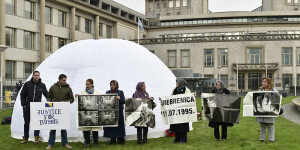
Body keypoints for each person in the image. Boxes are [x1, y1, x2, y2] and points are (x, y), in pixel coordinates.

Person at [46, 74, 74, 149]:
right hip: (54, 111)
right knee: (53, 128)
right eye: (63, 80)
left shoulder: (68, 88)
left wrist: (66, 102)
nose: (65, 81)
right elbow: (49, 97)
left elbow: (72, 99)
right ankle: (50, 144)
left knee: (63, 128)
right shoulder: (52, 87)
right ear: (59, 79)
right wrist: (49, 102)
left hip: (63, 110)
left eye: (65, 80)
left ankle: (65, 143)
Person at [20, 71, 48, 144]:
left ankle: (36, 138)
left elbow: (47, 95)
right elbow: (22, 94)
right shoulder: (27, 84)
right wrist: (23, 104)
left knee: (37, 123)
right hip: (27, 106)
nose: (36, 77)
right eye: (35, 75)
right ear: (32, 76)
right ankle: (26, 138)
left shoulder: (42, 85)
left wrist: (54, 101)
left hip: (37, 107)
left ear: (39, 76)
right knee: (26, 122)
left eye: (38, 75)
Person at [76, 79, 101, 148]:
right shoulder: (83, 92)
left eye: (88, 84)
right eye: (86, 84)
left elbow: (99, 101)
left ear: (92, 84)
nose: (86, 85)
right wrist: (77, 97)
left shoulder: (96, 92)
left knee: (95, 129)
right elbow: (80, 101)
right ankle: (87, 143)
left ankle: (96, 143)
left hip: (94, 113)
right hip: (85, 113)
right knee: (86, 129)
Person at [103, 80, 126, 145]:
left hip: (119, 112)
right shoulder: (108, 92)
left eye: (113, 84)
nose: (112, 86)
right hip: (110, 112)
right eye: (111, 84)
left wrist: (119, 98)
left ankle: (121, 139)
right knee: (111, 126)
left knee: (119, 126)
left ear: (116, 85)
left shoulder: (120, 92)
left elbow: (123, 101)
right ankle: (113, 139)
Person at [170, 78, 191, 144]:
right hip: (176, 110)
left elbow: (188, 99)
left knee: (183, 125)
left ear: (181, 83)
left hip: (183, 111)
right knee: (176, 125)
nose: (176, 84)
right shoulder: (174, 89)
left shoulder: (186, 90)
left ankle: (183, 139)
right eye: (176, 83)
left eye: (177, 83)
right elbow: (170, 98)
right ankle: (177, 138)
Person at [257, 77, 277, 143]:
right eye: (262, 81)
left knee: (270, 125)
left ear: (268, 83)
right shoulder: (260, 91)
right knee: (262, 125)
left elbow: (277, 100)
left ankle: (271, 139)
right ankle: (261, 139)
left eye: (264, 81)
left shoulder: (274, 91)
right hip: (262, 111)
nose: (263, 82)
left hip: (270, 111)